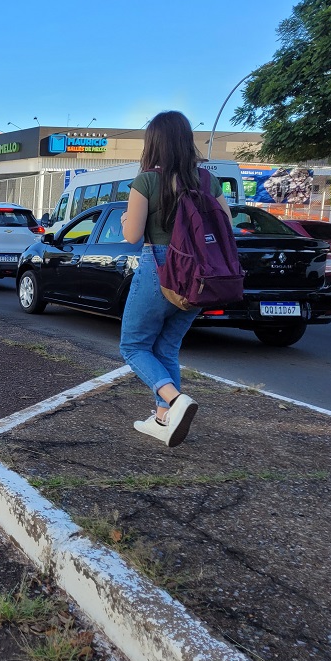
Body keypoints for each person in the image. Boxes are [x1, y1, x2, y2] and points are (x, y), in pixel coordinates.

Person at [119, 111, 226, 447]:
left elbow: (132, 236)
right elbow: (226, 228)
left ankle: (176, 401)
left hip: (160, 266)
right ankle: (164, 418)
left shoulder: (147, 181)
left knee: (133, 346)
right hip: (201, 274)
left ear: (154, 143)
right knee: (166, 347)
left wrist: (125, 220)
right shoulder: (208, 181)